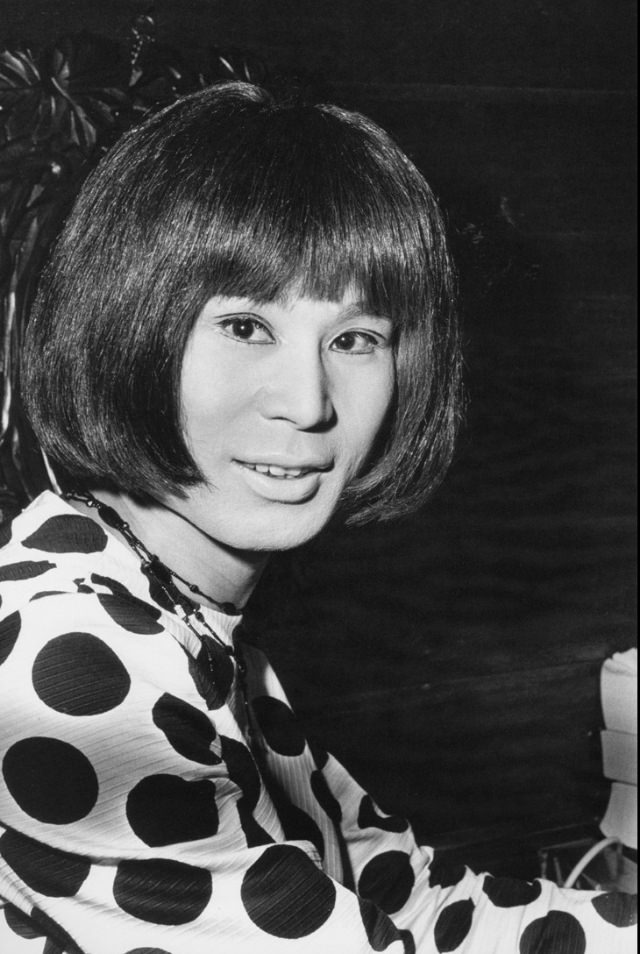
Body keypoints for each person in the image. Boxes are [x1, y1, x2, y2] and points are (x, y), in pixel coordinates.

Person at [0, 81, 634, 954]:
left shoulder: (207, 646)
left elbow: (419, 910)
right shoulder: (67, 660)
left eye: (355, 339)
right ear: (124, 328)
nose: (307, 403)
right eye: (245, 326)